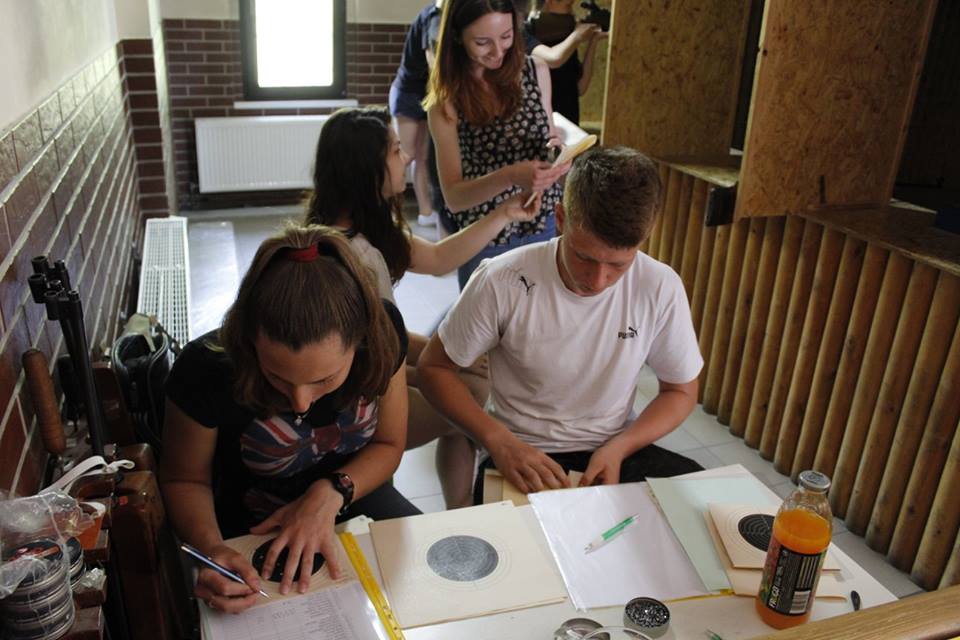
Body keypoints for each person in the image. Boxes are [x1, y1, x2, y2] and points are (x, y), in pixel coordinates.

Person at [417, 147, 705, 502]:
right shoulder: (503, 279)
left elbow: (680, 391)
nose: (598, 280)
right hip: (521, 449)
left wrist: (621, 446)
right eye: (584, 257)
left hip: (614, 446)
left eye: (618, 264)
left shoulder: (659, 286)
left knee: (703, 508)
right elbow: (434, 369)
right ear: (561, 218)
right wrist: (497, 440)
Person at [159, 225, 419, 613]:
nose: (300, 402)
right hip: (250, 528)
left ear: (361, 340)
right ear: (248, 341)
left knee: (422, 594)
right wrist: (211, 548)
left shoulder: (383, 334)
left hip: (355, 496)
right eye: (277, 377)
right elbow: (184, 479)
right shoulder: (207, 368)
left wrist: (330, 493)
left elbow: (389, 444)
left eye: (324, 380)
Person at [304, 106, 540, 508]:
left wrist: (504, 213)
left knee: (459, 377)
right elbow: (383, 348)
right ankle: (455, 505)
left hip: (365, 373)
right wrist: (440, 360)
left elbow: (438, 258)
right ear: (367, 170)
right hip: (349, 400)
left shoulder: (354, 227)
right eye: (396, 150)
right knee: (467, 395)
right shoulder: (354, 254)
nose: (408, 157)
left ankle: (456, 505)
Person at [425, 0, 571, 288]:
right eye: (482, 42)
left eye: (506, 36)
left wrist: (557, 152)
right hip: (486, 236)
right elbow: (454, 198)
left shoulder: (536, 71)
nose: (498, 51)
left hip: (543, 222)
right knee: (486, 316)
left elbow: (549, 136)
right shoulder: (446, 102)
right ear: (457, 36)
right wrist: (511, 175)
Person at [390, 1, 444, 227]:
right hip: (408, 93)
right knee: (406, 154)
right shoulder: (434, 15)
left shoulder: (443, 14)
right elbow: (433, 61)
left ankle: (425, 212)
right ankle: (386, 210)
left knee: (422, 156)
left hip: (426, 93)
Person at [527, 0, 607, 124]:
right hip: (541, 126)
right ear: (550, 2)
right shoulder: (527, 33)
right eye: (568, 6)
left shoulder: (565, 38)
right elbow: (554, 59)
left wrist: (594, 40)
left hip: (570, 122)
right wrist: (576, 36)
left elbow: (580, 87)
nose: (572, 13)